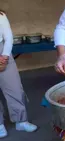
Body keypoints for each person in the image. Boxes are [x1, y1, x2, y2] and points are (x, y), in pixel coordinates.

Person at [0, 10, 37, 138]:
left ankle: (21, 121)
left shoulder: (1, 15)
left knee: (14, 88)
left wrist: (4, 57)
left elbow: (8, 37)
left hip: (3, 50)